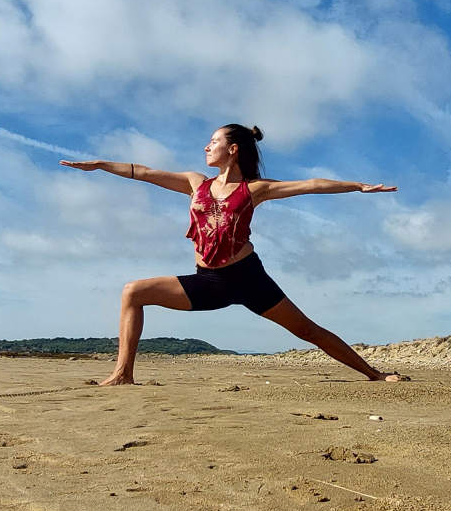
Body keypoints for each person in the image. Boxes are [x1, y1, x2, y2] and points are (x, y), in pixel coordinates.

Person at [61, 124, 406, 387]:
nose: (206, 146)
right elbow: (146, 173)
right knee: (133, 292)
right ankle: (123, 374)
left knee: (307, 331)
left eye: (214, 142)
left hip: (248, 278)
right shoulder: (197, 183)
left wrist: (358, 186)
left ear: (233, 149)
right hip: (208, 281)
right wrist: (103, 164)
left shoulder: (255, 189)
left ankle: (373, 374)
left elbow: (311, 184)